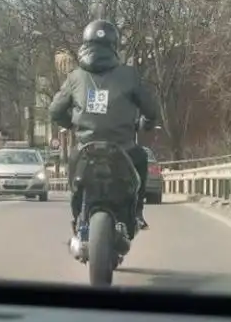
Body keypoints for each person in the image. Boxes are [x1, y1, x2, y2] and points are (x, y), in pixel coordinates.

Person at [48, 19, 159, 236]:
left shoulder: (75, 77)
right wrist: (146, 124)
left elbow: (55, 111)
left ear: (85, 44)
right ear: (114, 45)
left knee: (75, 181)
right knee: (141, 159)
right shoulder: (129, 75)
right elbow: (151, 110)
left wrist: (71, 125)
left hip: (85, 149)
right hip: (124, 149)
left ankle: (77, 217)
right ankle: (137, 212)